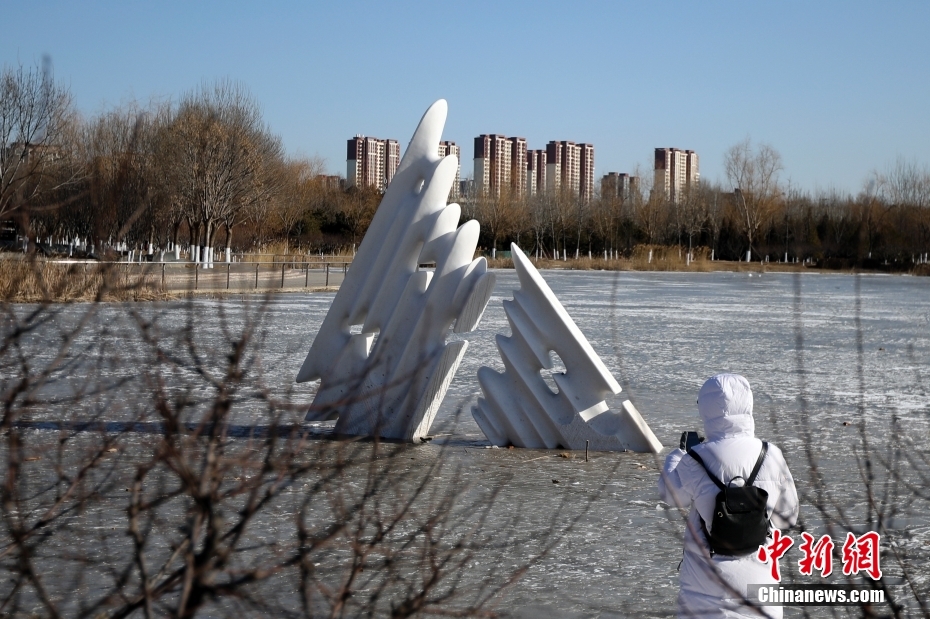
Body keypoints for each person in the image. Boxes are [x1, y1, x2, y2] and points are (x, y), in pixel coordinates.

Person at [658, 373, 799, 619]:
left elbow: (671, 497)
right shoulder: (771, 454)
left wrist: (677, 456)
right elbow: (788, 517)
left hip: (705, 586)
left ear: (706, 409)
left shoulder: (694, 459)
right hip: (760, 584)